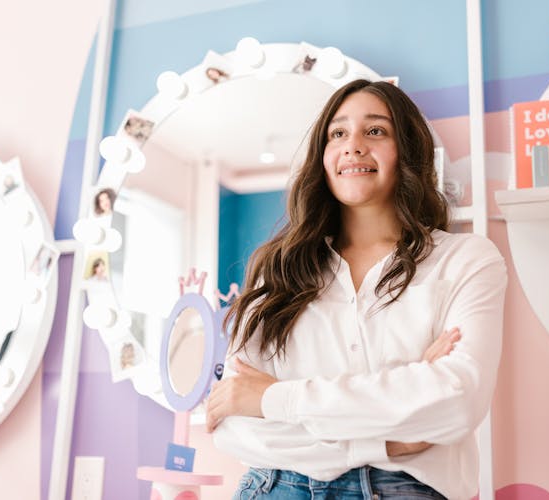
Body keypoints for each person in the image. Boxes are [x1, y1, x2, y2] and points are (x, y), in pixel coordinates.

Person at [205, 79, 507, 500]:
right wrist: (390, 440)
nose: (353, 146)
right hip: (272, 488)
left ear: (409, 151)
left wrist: (273, 398)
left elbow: (455, 402)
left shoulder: (466, 260)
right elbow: (233, 424)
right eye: (338, 133)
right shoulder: (277, 271)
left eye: (376, 131)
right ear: (323, 156)